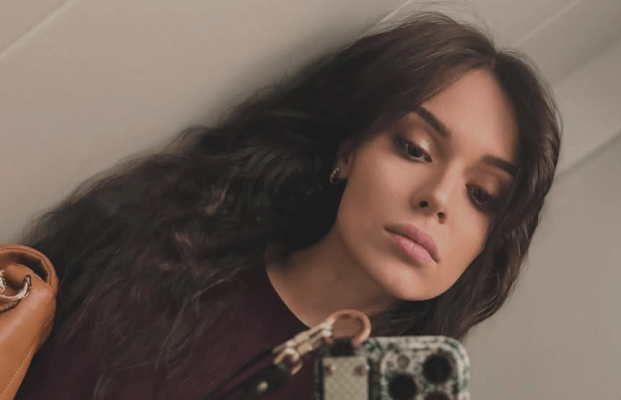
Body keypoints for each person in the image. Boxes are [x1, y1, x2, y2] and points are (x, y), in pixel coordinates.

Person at [15, 12, 560, 400]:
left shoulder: (388, 388)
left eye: (482, 195)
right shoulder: (164, 251)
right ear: (348, 152)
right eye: (415, 148)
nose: (438, 196)